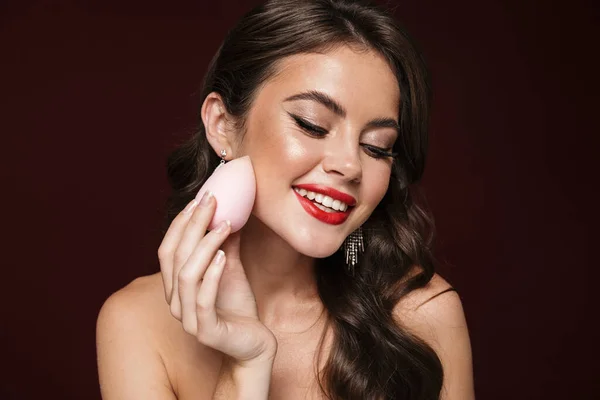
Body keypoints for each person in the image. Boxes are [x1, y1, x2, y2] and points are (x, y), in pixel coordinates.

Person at [95, 0, 474, 398]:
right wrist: (246, 364)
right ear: (222, 125)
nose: (350, 166)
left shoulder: (423, 314)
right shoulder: (137, 322)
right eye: (312, 125)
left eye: (377, 147)